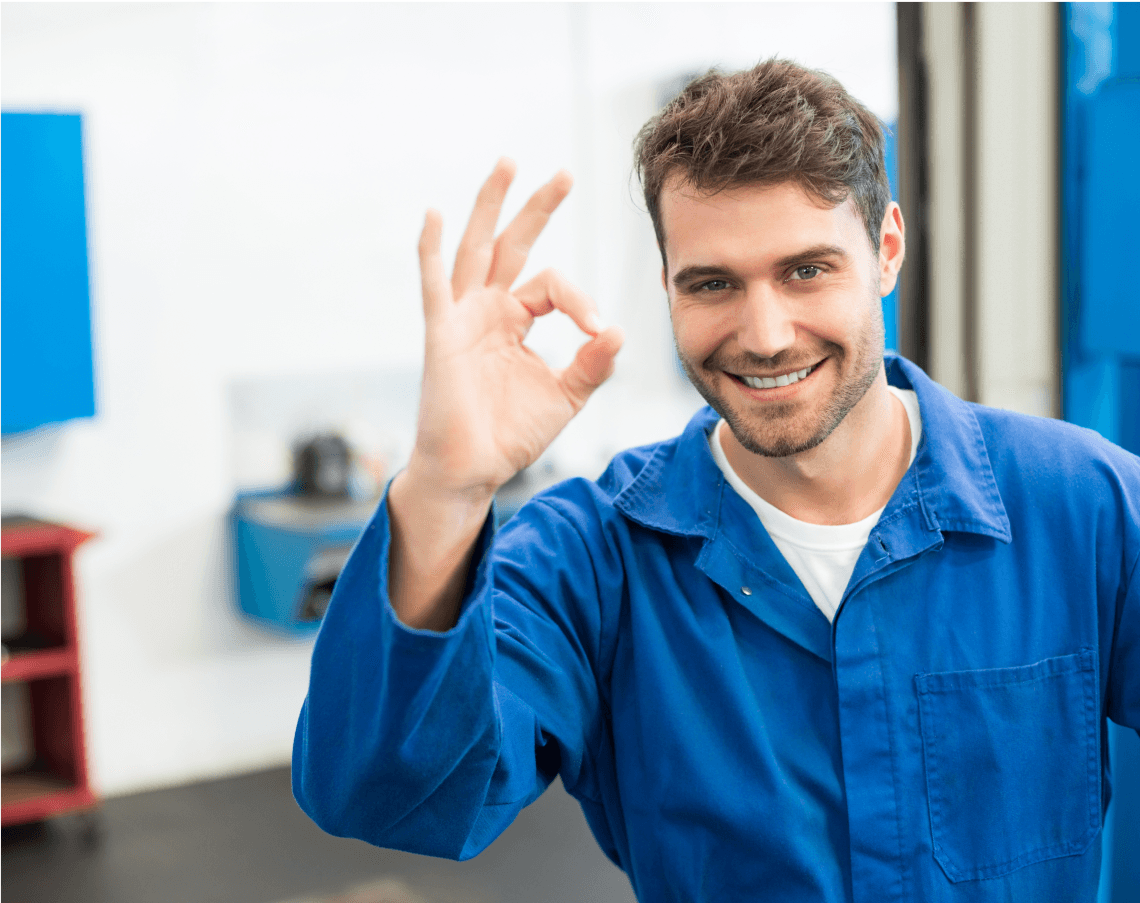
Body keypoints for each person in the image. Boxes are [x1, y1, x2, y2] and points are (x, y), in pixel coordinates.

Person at [293, 59, 1140, 901]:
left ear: (885, 251)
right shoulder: (594, 563)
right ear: (668, 288)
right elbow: (386, 797)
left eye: (806, 269)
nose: (765, 334)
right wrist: (446, 487)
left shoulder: (1080, 504)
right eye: (713, 284)